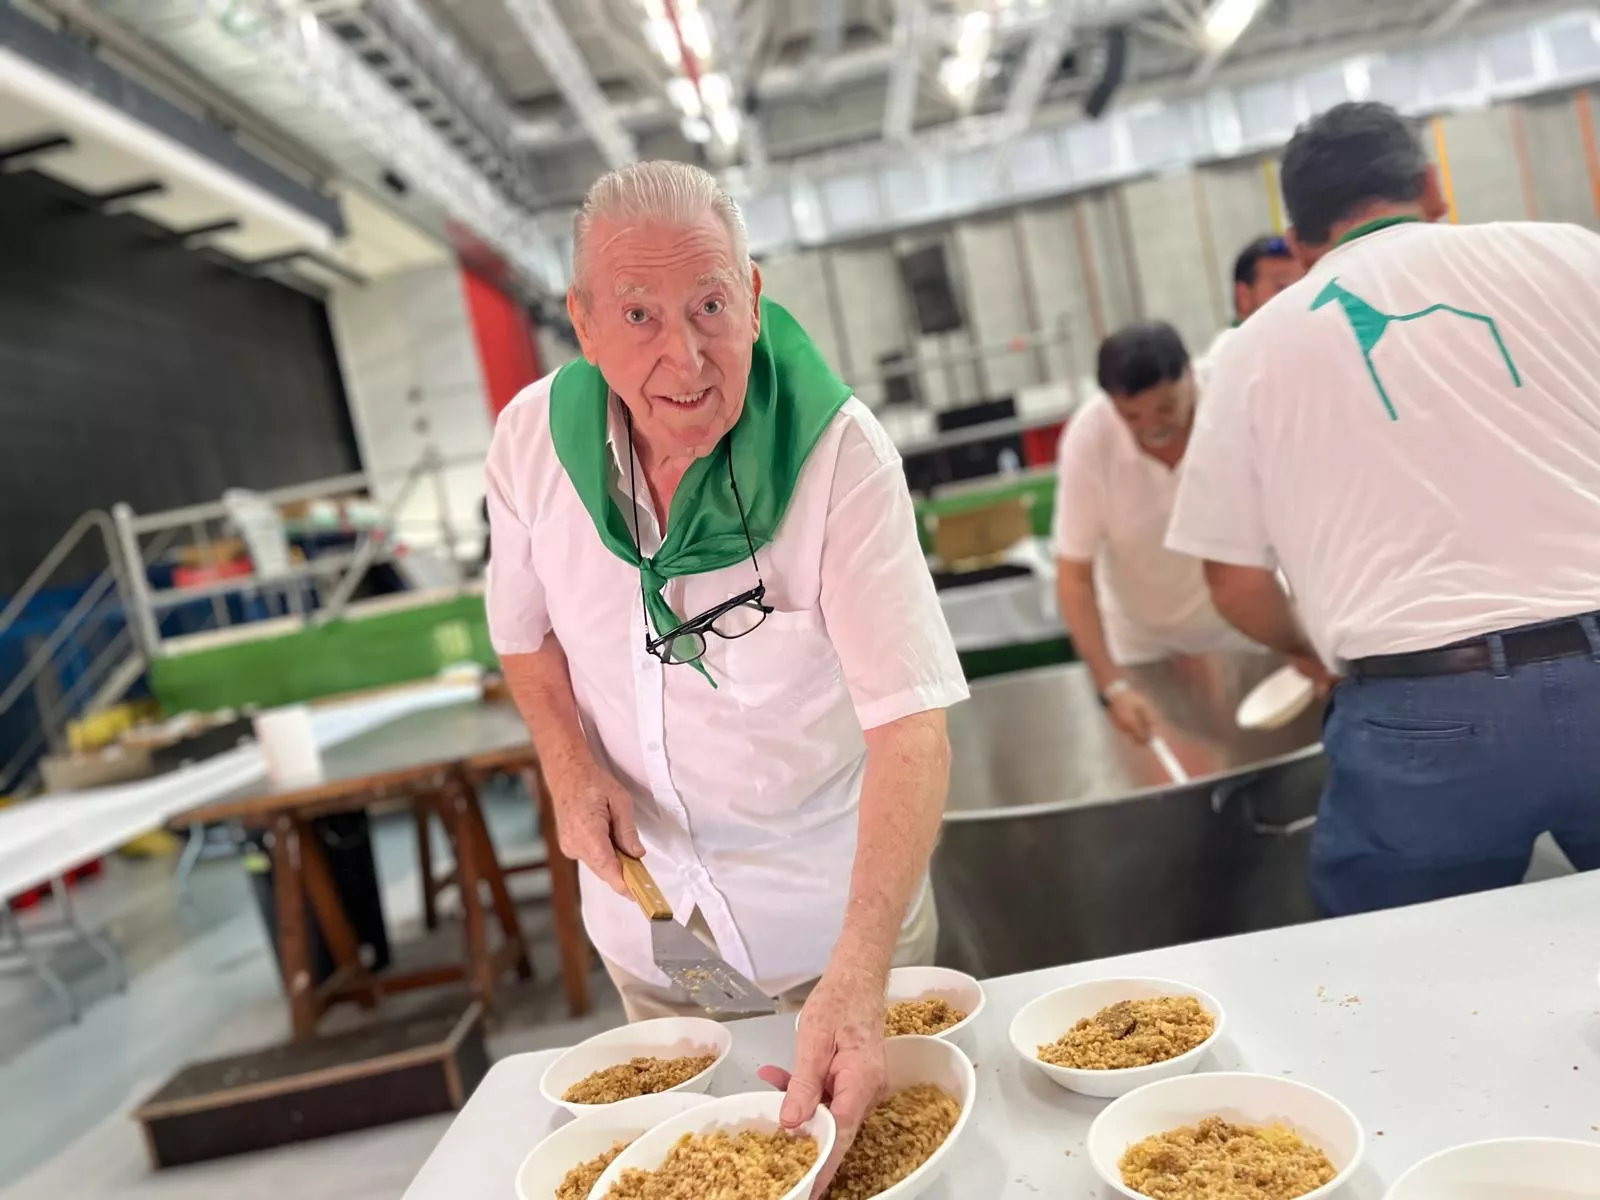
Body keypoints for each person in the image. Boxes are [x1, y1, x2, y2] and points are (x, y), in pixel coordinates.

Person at [484, 160, 968, 1187]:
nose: (685, 355)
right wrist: (570, 771)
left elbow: (911, 729)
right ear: (581, 323)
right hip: (651, 928)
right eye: (638, 314)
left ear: (753, 298)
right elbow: (523, 637)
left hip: (834, 926)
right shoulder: (532, 446)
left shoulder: (838, 457)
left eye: (709, 305)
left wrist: (859, 971)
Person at [1167, 100, 1600, 917]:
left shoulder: (1254, 349)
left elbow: (1232, 581)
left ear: (1297, 243)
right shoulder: (1573, 255)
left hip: (1425, 713)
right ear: (1433, 187)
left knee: (1398, 984)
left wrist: (1311, 650)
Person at [1052, 322, 1251, 744]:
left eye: (1166, 408)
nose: (1151, 427)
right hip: (1145, 643)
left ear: (1190, 376)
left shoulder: (1232, 398)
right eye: (1132, 416)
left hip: (1251, 627)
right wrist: (1114, 686)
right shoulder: (1089, 440)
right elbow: (1074, 575)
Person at [1197, 235, 1305, 385]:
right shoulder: (1219, 370)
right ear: (1244, 297)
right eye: (1283, 287)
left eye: (1303, 287)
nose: (1299, 299)